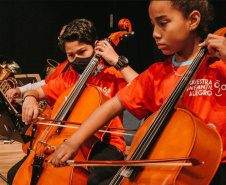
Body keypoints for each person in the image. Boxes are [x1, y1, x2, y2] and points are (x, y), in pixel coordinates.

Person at [47, 1, 226, 185]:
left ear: (193, 20)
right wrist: (74, 142)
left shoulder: (220, 65)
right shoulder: (155, 75)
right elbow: (110, 107)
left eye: (163, 23)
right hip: (165, 170)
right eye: (153, 25)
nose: (155, 34)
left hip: (218, 167)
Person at [20, 18, 138, 185]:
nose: (76, 59)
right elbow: (36, 92)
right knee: (17, 174)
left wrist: (117, 62)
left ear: (95, 46)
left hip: (106, 144)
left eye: (82, 52)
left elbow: (143, 88)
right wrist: (29, 98)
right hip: (67, 139)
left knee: (96, 181)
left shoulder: (112, 75)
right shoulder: (68, 78)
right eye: (71, 55)